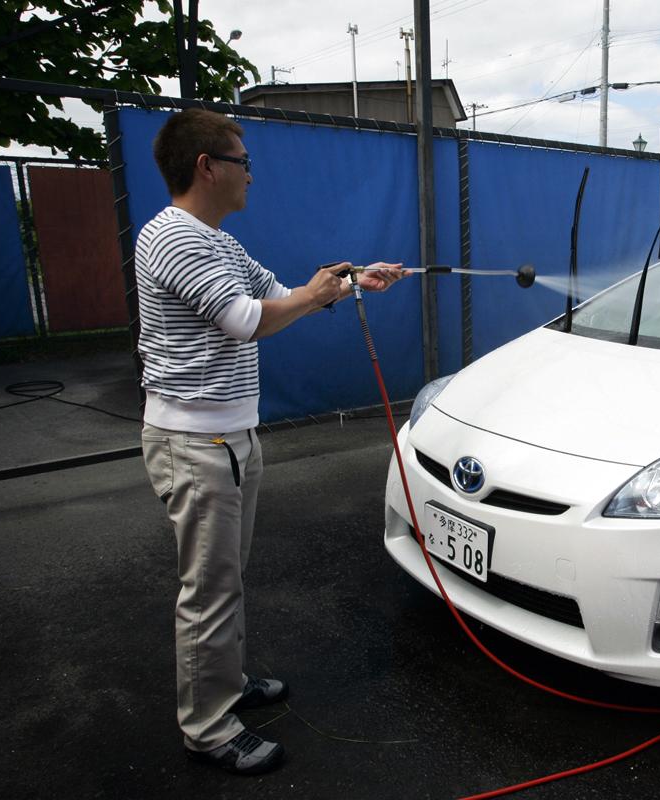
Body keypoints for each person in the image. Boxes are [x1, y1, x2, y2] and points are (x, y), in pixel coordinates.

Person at [135, 108, 405, 776]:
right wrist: (313, 295)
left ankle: (225, 685)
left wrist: (348, 284)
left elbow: (283, 295)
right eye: (243, 161)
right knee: (209, 588)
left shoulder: (221, 242)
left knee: (227, 578)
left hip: (230, 437)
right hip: (195, 443)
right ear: (208, 166)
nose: (251, 174)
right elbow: (246, 320)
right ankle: (207, 726)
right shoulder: (173, 238)